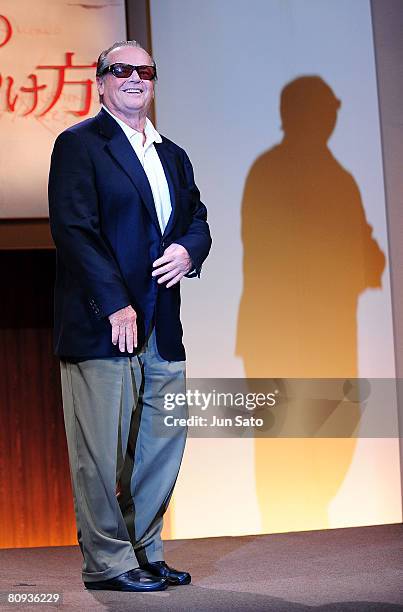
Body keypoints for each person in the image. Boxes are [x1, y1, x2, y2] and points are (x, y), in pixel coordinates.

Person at [48, 39, 211, 592]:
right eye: (122, 70)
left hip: (161, 324)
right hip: (104, 324)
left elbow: (197, 219)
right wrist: (115, 301)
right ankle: (109, 563)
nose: (135, 78)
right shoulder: (78, 145)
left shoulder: (172, 154)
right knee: (100, 452)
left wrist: (191, 249)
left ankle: (145, 551)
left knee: (162, 442)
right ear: (101, 82)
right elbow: (74, 230)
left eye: (145, 70)